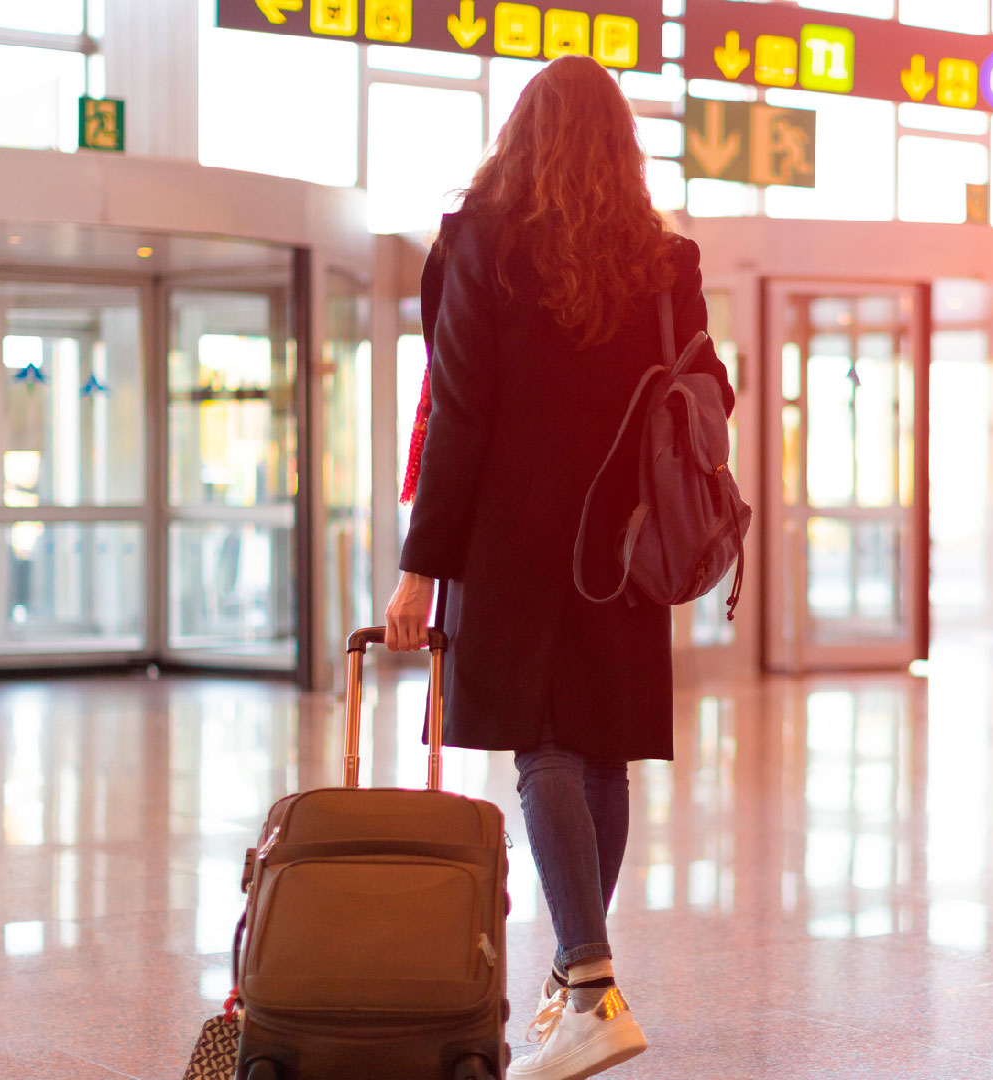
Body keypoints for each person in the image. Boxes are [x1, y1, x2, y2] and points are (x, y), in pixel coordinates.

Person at [382, 54, 734, 1080]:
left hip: (515, 540)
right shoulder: (666, 261)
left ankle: (587, 985)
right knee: (601, 752)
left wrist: (419, 570)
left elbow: (462, 418)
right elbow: (709, 390)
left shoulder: (481, 243)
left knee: (544, 752)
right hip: (626, 540)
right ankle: (575, 983)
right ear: (623, 150)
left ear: (522, 135)